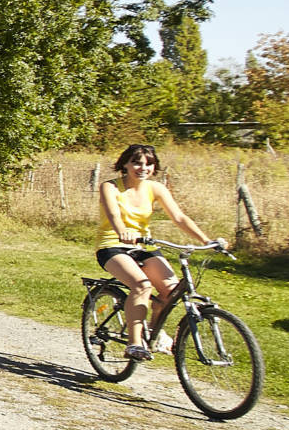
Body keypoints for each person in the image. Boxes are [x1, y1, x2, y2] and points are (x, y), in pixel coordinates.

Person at [95, 144, 227, 362]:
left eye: (149, 164)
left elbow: (179, 217)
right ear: (125, 164)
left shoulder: (155, 188)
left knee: (172, 292)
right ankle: (134, 343)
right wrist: (122, 232)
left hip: (144, 246)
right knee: (141, 285)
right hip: (113, 245)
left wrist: (207, 240)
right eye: (137, 162)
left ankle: (153, 333)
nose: (143, 168)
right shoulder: (110, 187)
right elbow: (113, 214)